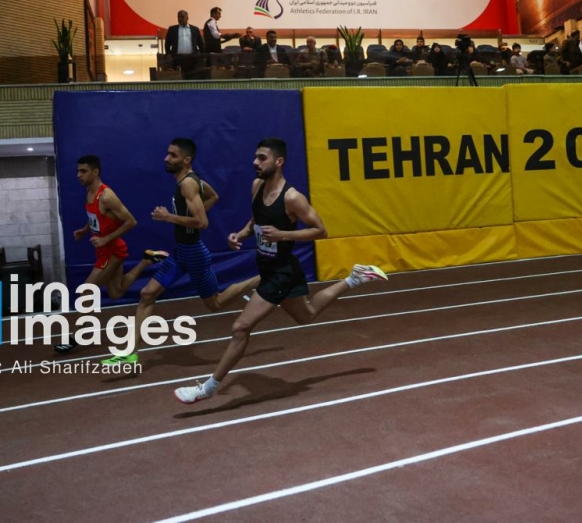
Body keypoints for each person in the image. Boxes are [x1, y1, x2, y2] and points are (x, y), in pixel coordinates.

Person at [174, 138, 388, 404]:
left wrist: (283, 235)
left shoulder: (292, 197)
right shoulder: (256, 186)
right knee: (306, 315)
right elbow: (257, 219)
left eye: (262, 158)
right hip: (269, 266)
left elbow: (320, 231)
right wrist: (241, 233)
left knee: (240, 328)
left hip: (281, 272)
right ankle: (354, 278)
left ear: (279, 161)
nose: (255, 162)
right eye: (255, 157)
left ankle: (207, 388)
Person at [101, 138, 258, 366]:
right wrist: (185, 216)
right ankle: (130, 351)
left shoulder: (188, 184)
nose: (166, 158)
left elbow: (202, 223)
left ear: (186, 160)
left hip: (194, 254)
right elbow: (213, 196)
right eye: (167, 153)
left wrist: (169, 217)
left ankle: (260, 278)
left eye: (172, 155)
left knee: (215, 304)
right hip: (180, 252)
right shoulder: (193, 181)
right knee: (147, 294)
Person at [54, 155, 168, 354]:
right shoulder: (89, 192)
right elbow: (96, 217)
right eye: (78, 171)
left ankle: (78, 335)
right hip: (104, 251)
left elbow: (131, 222)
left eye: (83, 171)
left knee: (86, 290)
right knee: (116, 293)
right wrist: (85, 230)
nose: (78, 175)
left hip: (112, 251)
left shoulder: (106, 196)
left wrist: (106, 239)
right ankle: (146, 260)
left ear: (95, 172)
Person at [164, 10, 204, 78]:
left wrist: (202, 57)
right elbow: (167, 44)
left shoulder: (195, 29)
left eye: (182, 17)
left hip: (192, 59)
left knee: (192, 78)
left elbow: (200, 44)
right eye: (178, 17)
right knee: (178, 78)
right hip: (177, 59)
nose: (180, 19)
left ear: (187, 18)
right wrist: (168, 55)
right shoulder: (172, 29)